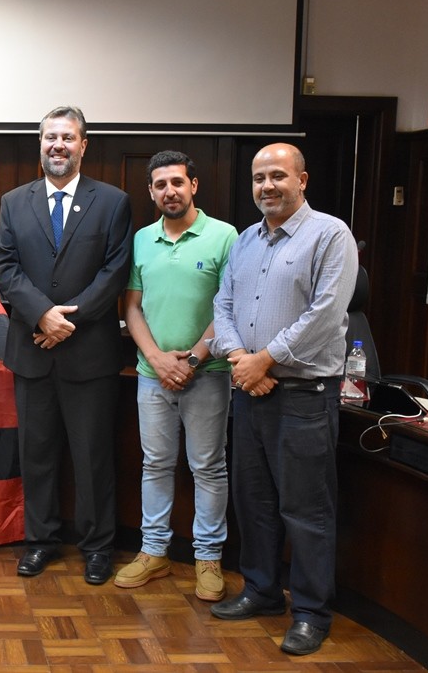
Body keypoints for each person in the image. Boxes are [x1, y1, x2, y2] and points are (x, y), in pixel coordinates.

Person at [208, 143, 358, 656]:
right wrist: (239, 361)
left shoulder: (330, 235)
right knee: (255, 503)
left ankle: (313, 613)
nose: (266, 186)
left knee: (306, 511)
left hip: (303, 397)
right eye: (258, 178)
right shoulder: (246, 239)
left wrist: (265, 359)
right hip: (250, 392)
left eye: (277, 176)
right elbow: (222, 304)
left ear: (302, 180)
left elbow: (325, 315)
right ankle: (262, 591)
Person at [0, 105, 133, 586]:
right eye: (50, 137)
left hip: (88, 354)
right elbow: (5, 268)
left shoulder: (112, 202)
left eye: (67, 138)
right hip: (32, 352)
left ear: (83, 144)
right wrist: (42, 315)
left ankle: (97, 547)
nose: (58, 145)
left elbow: (114, 272)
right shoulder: (14, 201)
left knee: (93, 457)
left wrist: (66, 320)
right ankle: (40, 541)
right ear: (40, 142)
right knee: (38, 453)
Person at [113, 151, 237, 601]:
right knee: (156, 464)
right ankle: (154, 552)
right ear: (151, 191)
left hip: (208, 374)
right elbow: (131, 306)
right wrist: (158, 359)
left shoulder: (224, 237)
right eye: (161, 185)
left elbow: (230, 307)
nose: (170, 191)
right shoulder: (142, 239)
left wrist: (193, 360)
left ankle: (208, 559)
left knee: (208, 466)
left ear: (194, 186)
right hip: (152, 375)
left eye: (177, 183)